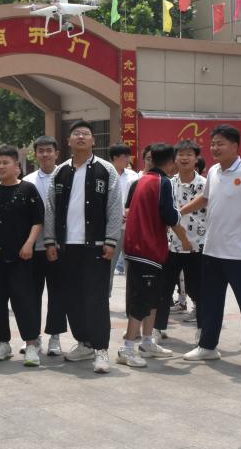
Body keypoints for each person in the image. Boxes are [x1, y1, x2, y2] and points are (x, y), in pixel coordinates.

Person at [179, 124, 241, 371]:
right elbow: (205, 198)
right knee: (211, 301)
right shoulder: (214, 170)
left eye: (221, 143)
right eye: (213, 143)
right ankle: (208, 346)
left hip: (240, 252)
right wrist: (179, 212)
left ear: (235, 146)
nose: (215, 148)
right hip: (213, 249)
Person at [43, 120, 123, 374]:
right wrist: (50, 240)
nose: (80, 137)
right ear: (68, 141)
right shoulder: (60, 172)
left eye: (85, 134)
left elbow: (114, 206)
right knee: (71, 297)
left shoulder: (105, 170)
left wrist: (111, 240)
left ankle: (101, 350)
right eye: (76, 133)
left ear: (93, 141)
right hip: (66, 246)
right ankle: (84, 343)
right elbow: (50, 208)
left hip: (96, 246)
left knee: (96, 298)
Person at [118, 143, 188, 368]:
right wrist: (186, 240)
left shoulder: (142, 180)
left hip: (143, 249)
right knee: (141, 300)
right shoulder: (162, 182)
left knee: (153, 298)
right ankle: (128, 347)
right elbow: (170, 215)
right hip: (146, 249)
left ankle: (147, 342)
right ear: (170, 162)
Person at [0, 145, 45, 366]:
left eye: (6, 163)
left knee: (24, 300)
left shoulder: (28, 189)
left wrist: (29, 244)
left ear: (17, 166)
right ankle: (3, 343)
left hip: (21, 256)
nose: (1, 166)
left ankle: (31, 344)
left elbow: (38, 221)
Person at [154, 140, 205, 341]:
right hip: (170, 245)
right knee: (163, 289)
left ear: (196, 159)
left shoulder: (205, 184)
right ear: (174, 159)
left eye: (189, 154)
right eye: (181, 154)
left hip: (197, 245)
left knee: (198, 289)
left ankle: (203, 330)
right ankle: (158, 328)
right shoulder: (167, 183)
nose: (184, 158)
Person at [24, 135, 66, 356]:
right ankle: (33, 337)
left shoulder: (66, 176)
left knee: (58, 294)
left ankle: (55, 337)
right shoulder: (28, 181)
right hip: (33, 248)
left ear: (56, 153)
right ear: (35, 154)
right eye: (41, 150)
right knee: (31, 295)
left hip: (59, 247)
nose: (45, 154)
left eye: (49, 150)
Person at [109, 143, 139, 280]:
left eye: (129, 156)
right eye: (125, 156)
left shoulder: (134, 176)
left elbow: (137, 200)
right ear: (115, 158)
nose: (128, 159)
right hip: (113, 228)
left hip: (131, 227)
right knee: (109, 264)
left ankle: (132, 293)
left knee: (132, 265)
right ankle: (106, 292)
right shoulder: (106, 175)